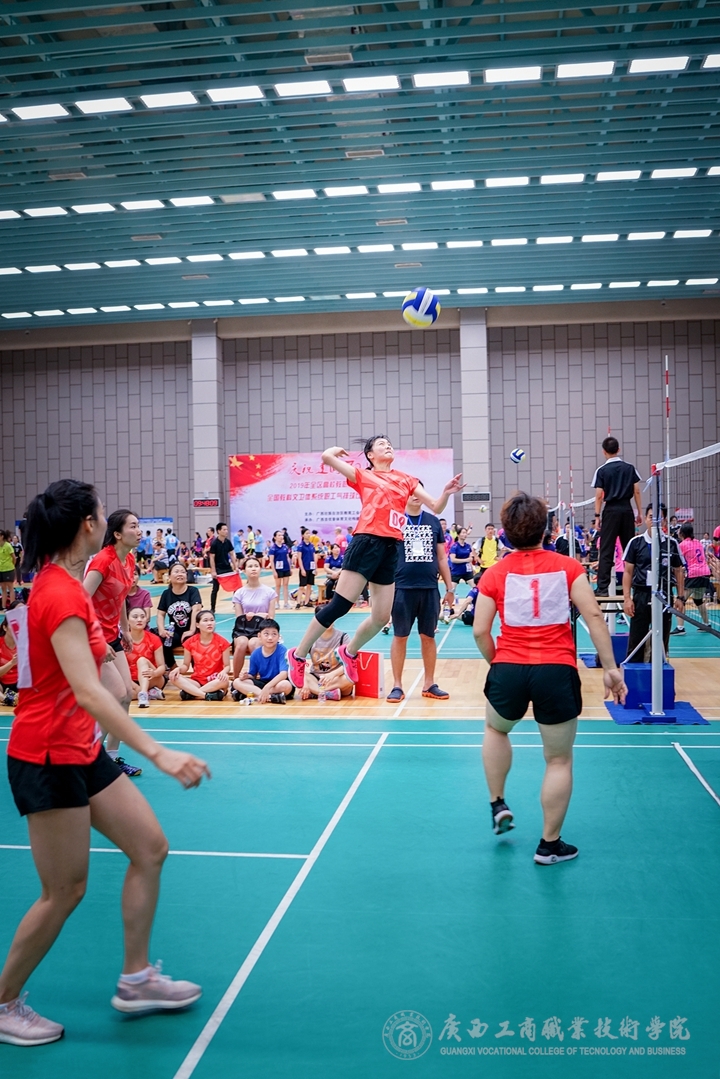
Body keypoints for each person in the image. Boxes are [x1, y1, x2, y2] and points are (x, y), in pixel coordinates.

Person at [0, 479, 209, 1047]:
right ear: (90, 526)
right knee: (64, 890)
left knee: (150, 847)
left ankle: (136, 980)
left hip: (80, 748)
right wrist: (159, 752)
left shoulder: (69, 586)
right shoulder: (60, 594)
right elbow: (89, 691)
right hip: (47, 755)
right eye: (102, 512)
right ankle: (3, 1001)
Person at [473, 491, 627, 865]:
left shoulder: (495, 573)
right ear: (547, 528)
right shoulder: (568, 567)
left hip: (509, 669)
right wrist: (611, 668)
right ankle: (549, 845)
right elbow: (594, 616)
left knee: (496, 730)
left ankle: (497, 803)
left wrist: (499, 663)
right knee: (558, 760)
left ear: (505, 532)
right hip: (556, 671)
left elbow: (479, 630)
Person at [287, 436, 463, 690]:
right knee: (340, 605)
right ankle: (298, 655)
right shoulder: (363, 475)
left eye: (389, 443)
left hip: (391, 548)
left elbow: (435, 506)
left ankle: (349, 651)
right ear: (370, 455)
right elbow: (327, 457)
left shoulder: (407, 479)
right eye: (381, 444)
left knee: (381, 618)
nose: (387, 446)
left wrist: (446, 492)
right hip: (367, 543)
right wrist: (335, 450)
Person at [84, 510, 143, 778]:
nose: (139, 531)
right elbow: (80, 601)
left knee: (127, 694)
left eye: (139, 526)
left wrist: (125, 629)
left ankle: (110, 758)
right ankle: (88, 754)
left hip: (112, 636)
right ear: (117, 534)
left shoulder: (128, 559)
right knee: (117, 694)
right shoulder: (103, 561)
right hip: (91, 636)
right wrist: (96, 638)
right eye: (133, 526)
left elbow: (119, 598)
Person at [386, 488, 453, 703]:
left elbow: (441, 558)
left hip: (429, 588)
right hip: (401, 588)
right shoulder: (395, 521)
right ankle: (397, 685)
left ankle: (429, 683)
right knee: (400, 636)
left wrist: (450, 588)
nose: (416, 495)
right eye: (412, 492)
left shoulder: (433, 522)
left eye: (420, 492)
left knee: (428, 636)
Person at [622, 505, 685, 662]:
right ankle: (634, 670)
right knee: (636, 638)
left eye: (658, 518)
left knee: (662, 638)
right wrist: (627, 599)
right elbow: (628, 572)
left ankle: (659, 669)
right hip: (641, 595)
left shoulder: (671, 544)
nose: (654, 521)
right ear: (645, 519)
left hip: (664, 595)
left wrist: (680, 597)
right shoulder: (635, 543)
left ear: (664, 520)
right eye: (651, 517)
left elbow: (678, 571)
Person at [592, 436, 642, 595]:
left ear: (603, 452)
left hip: (611, 511)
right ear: (618, 449)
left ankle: (602, 589)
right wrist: (639, 512)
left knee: (606, 550)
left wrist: (597, 516)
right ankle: (638, 585)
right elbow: (637, 491)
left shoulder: (601, 471)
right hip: (626, 509)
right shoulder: (630, 468)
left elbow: (599, 495)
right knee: (630, 549)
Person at [230, 557, 277, 679]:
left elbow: (270, 617)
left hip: (262, 629)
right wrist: (252, 616)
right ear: (244, 571)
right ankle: (236, 679)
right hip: (243, 629)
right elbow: (239, 618)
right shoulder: (239, 593)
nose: (253, 569)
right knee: (242, 643)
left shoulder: (269, 592)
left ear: (260, 569)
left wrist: (257, 615)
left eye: (256, 566)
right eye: (250, 566)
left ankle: (256, 677)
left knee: (254, 643)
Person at [168, 610, 231, 701]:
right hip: (197, 682)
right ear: (197, 624)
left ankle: (192, 693)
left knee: (225, 680)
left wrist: (224, 672)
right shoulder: (190, 642)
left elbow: (227, 666)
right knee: (174, 677)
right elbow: (185, 666)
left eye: (212, 620)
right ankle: (206, 695)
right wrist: (178, 669)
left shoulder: (223, 642)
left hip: (215, 680)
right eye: (205, 620)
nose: (209, 623)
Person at [232, 618, 293, 704]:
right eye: (266, 634)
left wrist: (267, 687)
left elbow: (284, 674)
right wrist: (247, 676)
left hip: (277, 683)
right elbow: (253, 675)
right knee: (237, 682)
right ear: (259, 636)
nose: (270, 638)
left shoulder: (282, 651)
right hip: (263, 683)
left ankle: (255, 695)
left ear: (279, 637)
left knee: (286, 685)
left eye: (274, 634)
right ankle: (271, 697)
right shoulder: (256, 653)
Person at [300, 606, 353, 701]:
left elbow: (349, 663)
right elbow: (298, 661)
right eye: (324, 617)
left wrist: (332, 674)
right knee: (296, 675)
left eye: (331, 616)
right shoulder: (310, 637)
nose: (328, 620)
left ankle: (316, 692)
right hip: (316, 678)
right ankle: (327, 694)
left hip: (335, 678)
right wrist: (305, 683)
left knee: (349, 679)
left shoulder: (343, 637)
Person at [156, 563, 202, 669]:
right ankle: (174, 669)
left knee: (191, 643)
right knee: (162, 641)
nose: (180, 574)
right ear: (169, 576)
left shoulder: (193, 591)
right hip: (175, 632)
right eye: (176, 572)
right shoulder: (166, 594)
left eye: (182, 572)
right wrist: (162, 630)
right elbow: (160, 614)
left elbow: (196, 610)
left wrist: (191, 630)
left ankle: (198, 672)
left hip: (192, 631)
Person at [127, 608, 166, 707]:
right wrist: (135, 686)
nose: (139, 620)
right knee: (122, 696)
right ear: (127, 620)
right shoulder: (122, 641)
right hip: (130, 681)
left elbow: (162, 667)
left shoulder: (154, 639)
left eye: (142, 617)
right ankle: (150, 693)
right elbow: (120, 670)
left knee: (142, 660)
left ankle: (144, 694)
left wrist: (155, 673)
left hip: (153, 678)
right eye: (135, 617)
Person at [677, 524, 713, 632]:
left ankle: (680, 627)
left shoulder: (682, 545)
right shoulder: (698, 542)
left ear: (682, 533)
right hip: (705, 573)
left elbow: (678, 561)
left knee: (681, 600)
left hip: (694, 574)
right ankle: (707, 624)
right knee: (698, 600)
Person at [209, 523, 237, 615]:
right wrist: (213, 571)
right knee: (215, 589)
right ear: (219, 531)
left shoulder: (228, 542)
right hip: (218, 569)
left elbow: (232, 554)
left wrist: (236, 567)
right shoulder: (214, 543)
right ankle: (212, 608)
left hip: (227, 568)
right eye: (224, 530)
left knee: (236, 586)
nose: (226, 531)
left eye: (227, 529)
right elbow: (212, 557)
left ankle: (236, 604)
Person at [0, 605, 18, 708]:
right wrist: (11, 663)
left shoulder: (24, 644)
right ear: (5, 627)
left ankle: (15, 698)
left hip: (19, 684)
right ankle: (7, 699)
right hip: (2, 684)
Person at [268, 529, 292, 608]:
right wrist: (274, 571)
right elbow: (271, 560)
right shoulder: (273, 548)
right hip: (278, 569)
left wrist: (290, 568)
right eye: (279, 535)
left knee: (286, 585)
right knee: (278, 586)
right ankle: (277, 603)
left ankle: (286, 603)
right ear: (275, 537)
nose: (281, 537)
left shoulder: (285, 547)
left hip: (286, 568)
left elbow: (288, 558)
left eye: (281, 535)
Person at [294, 528, 317, 607]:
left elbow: (314, 557)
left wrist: (315, 568)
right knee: (301, 586)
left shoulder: (312, 545)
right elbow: (299, 558)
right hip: (304, 568)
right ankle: (298, 602)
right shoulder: (300, 546)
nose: (308, 535)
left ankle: (306, 602)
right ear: (303, 535)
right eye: (306, 533)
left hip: (311, 568)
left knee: (309, 585)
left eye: (309, 533)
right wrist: (302, 569)